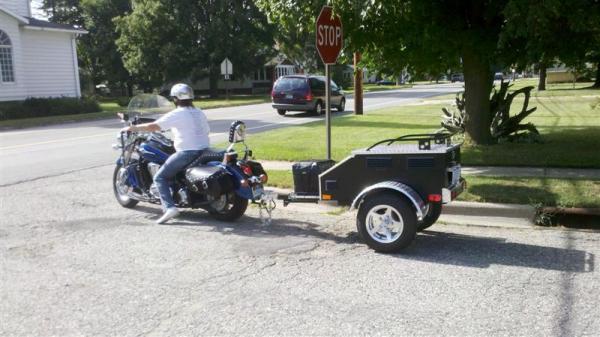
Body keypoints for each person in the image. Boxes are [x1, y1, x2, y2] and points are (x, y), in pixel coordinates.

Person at [121, 83, 210, 224]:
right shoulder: (199, 111)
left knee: (160, 177)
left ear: (175, 99)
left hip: (187, 153)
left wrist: (132, 127)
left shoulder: (177, 113)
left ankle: (169, 208)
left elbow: (153, 126)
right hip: (205, 151)